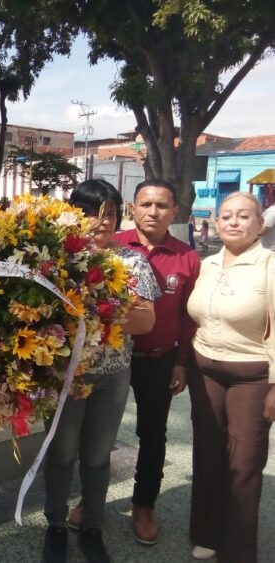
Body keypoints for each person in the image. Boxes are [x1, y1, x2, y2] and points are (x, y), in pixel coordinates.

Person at [69, 179, 201, 544]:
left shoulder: (186, 257)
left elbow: (190, 317)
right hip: (106, 359)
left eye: (162, 205)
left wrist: (182, 362)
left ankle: (144, 505)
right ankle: (88, 501)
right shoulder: (110, 244)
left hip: (158, 360)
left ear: (174, 210)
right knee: (95, 435)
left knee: (152, 435)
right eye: (146, 204)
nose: (153, 212)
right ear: (133, 208)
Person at [42, 179, 160, 563]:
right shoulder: (56, 258)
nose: (102, 221)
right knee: (61, 453)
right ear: (75, 215)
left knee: (97, 454)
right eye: (93, 212)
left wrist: (95, 308)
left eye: (110, 213)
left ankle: (92, 525)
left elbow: (145, 321)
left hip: (112, 374)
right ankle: (56, 525)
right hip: (64, 375)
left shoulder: (131, 261)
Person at [186, 192, 274, 563]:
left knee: (244, 464)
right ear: (216, 223)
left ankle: (238, 550)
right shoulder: (207, 264)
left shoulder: (270, 265)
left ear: (260, 224)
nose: (233, 222)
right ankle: (206, 532)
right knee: (207, 453)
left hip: (251, 377)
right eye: (226, 216)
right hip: (204, 369)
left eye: (243, 216)